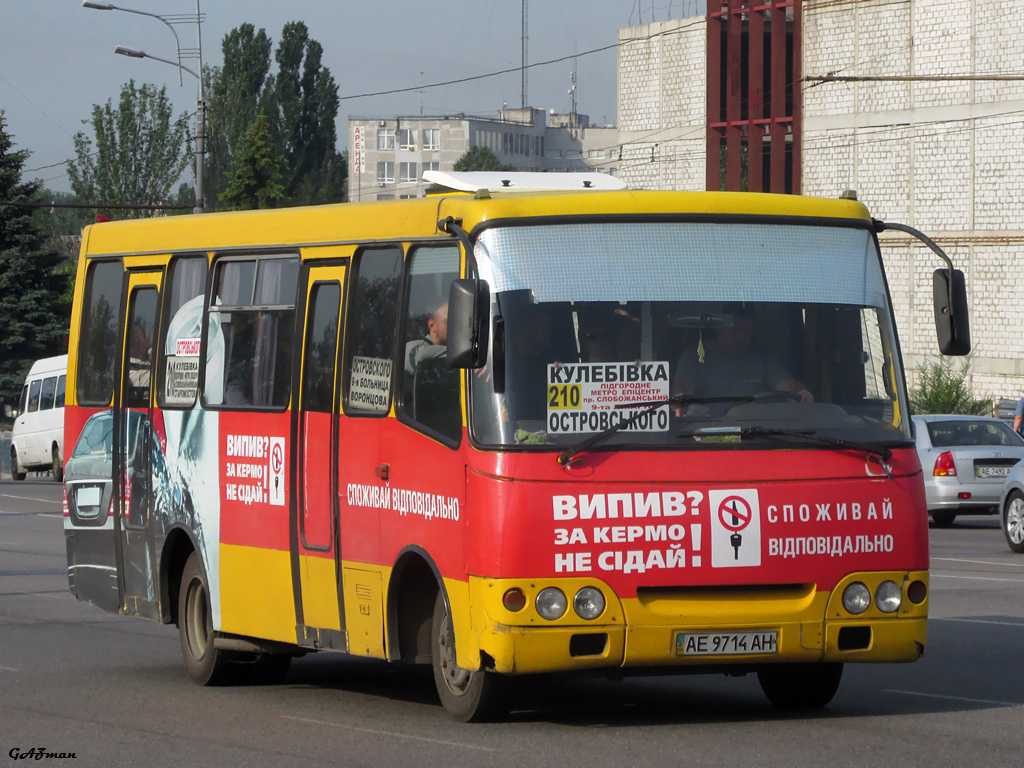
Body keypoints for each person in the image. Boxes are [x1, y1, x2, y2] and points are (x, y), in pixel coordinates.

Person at [673, 303, 813, 405]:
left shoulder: (761, 358)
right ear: (718, 329)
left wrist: (800, 392)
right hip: (705, 435)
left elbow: (786, 384)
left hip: (753, 433)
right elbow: (684, 387)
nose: (741, 338)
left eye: (747, 332)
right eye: (735, 331)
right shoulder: (695, 356)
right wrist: (681, 399)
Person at [404, 301, 448, 377]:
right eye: (449, 321)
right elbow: (423, 354)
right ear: (432, 325)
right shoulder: (415, 349)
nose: (457, 326)